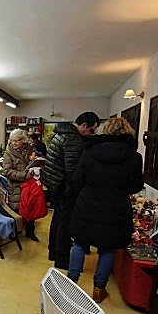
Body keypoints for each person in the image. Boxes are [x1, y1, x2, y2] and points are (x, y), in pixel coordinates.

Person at [68, 118, 143, 303]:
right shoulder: (134, 157)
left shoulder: (90, 151)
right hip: (116, 209)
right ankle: (99, 289)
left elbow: (77, 180)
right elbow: (136, 187)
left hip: (87, 205)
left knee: (79, 243)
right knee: (108, 249)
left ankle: (71, 282)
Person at [43, 111, 99, 269]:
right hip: (63, 185)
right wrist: (77, 190)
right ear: (84, 125)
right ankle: (62, 259)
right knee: (65, 223)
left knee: (58, 219)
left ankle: (54, 252)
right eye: (92, 130)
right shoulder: (73, 138)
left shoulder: (62, 133)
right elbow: (72, 169)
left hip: (54, 182)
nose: (92, 134)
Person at [2, 129, 39, 241]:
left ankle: (30, 232)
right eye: (12, 140)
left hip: (29, 185)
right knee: (16, 211)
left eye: (17, 140)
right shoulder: (8, 153)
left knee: (31, 208)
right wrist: (23, 175)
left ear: (23, 140)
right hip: (16, 186)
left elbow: (33, 162)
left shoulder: (29, 149)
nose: (14, 143)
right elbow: (7, 171)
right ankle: (14, 234)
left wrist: (35, 166)